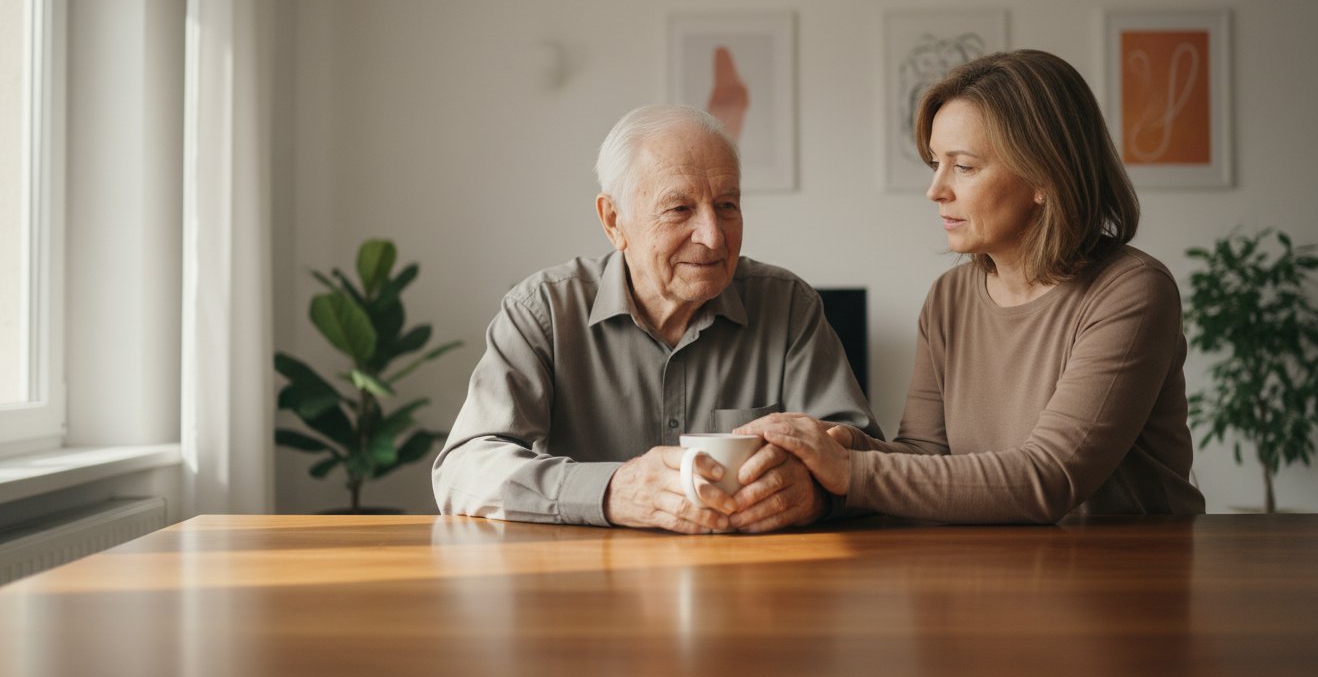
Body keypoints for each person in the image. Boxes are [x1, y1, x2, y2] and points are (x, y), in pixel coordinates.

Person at [740, 49, 1205, 523]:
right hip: (1004, 573)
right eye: (934, 163)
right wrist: (839, 443)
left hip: (1133, 580)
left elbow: (1049, 479)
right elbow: (927, 456)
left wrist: (851, 470)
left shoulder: (1131, 292)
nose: (936, 190)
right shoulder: (950, 297)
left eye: (962, 167)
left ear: (1044, 175)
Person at [432, 104, 879, 533]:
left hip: (749, 589)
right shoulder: (543, 311)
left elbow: (866, 460)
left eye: (727, 206)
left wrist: (816, 495)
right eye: (679, 209)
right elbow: (463, 469)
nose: (712, 236)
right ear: (613, 221)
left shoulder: (789, 306)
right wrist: (611, 492)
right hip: (584, 589)